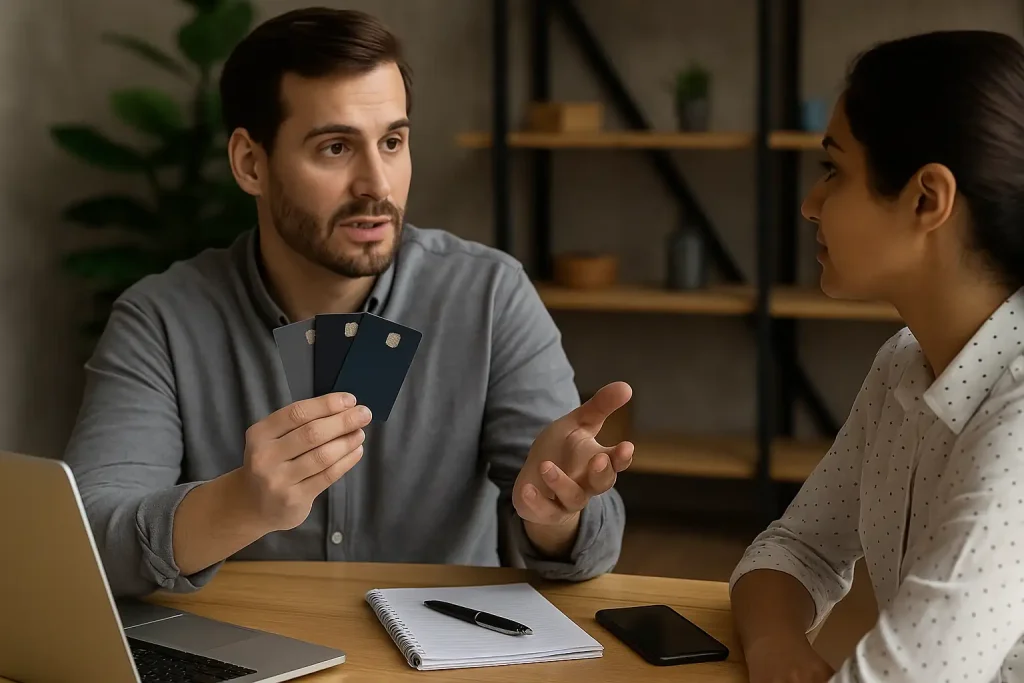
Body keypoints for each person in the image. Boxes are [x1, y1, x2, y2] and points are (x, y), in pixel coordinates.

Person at [62, 7, 633, 598]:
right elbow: (85, 540)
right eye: (335, 148)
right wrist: (240, 504)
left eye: (392, 142)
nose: (377, 185)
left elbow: (590, 549)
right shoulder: (159, 319)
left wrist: (557, 512)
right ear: (250, 163)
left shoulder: (489, 295)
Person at [730, 29, 1024, 683]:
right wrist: (779, 647)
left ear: (927, 199)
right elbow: (793, 548)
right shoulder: (903, 362)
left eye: (833, 170)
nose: (810, 205)